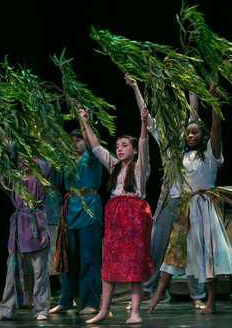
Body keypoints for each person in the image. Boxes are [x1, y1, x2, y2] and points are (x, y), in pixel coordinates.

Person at [147, 83, 232, 315]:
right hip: (187, 208)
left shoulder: (211, 152)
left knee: (207, 254)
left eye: (195, 132)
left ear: (204, 135)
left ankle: (210, 300)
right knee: (175, 249)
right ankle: (158, 293)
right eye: (188, 132)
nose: (190, 135)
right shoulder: (182, 156)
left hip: (205, 207)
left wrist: (215, 103)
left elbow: (217, 124)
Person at [125, 75, 206, 309]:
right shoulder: (165, 138)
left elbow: (194, 110)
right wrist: (135, 87)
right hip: (170, 197)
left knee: (190, 247)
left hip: (190, 199)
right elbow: (145, 114)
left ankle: (197, 295)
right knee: (157, 244)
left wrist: (191, 86)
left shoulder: (187, 136)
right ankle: (149, 291)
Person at [85, 106, 154, 325]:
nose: (120, 148)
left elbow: (144, 143)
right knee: (110, 263)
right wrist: (85, 122)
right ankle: (104, 309)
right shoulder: (114, 166)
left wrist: (143, 121)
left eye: (125, 145)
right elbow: (96, 147)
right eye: (117, 146)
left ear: (134, 151)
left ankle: (135, 312)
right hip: (115, 218)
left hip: (135, 218)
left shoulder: (141, 167)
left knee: (134, 264)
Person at [0, 127, 51, 321]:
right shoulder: (16, 179)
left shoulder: (41, 174)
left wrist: (36, 140)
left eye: (28, 156)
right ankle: (6, 309)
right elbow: (0, 176)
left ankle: (41, 309)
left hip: (36, 225)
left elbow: (43, 161)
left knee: (40, 270)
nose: (23, 161)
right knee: (12, 269)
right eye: (20, 158)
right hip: (19, 227)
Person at [50, 126, 103, 316]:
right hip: (70, 208)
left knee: (89, 258)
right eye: (72, 139)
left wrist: (84, 123)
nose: (75, 142)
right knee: (67, 257)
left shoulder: (93, 158)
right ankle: (66, 300)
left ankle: (91, 302)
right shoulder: (67, 161)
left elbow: (92, 142)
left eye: (79, 139)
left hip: (89, 207)